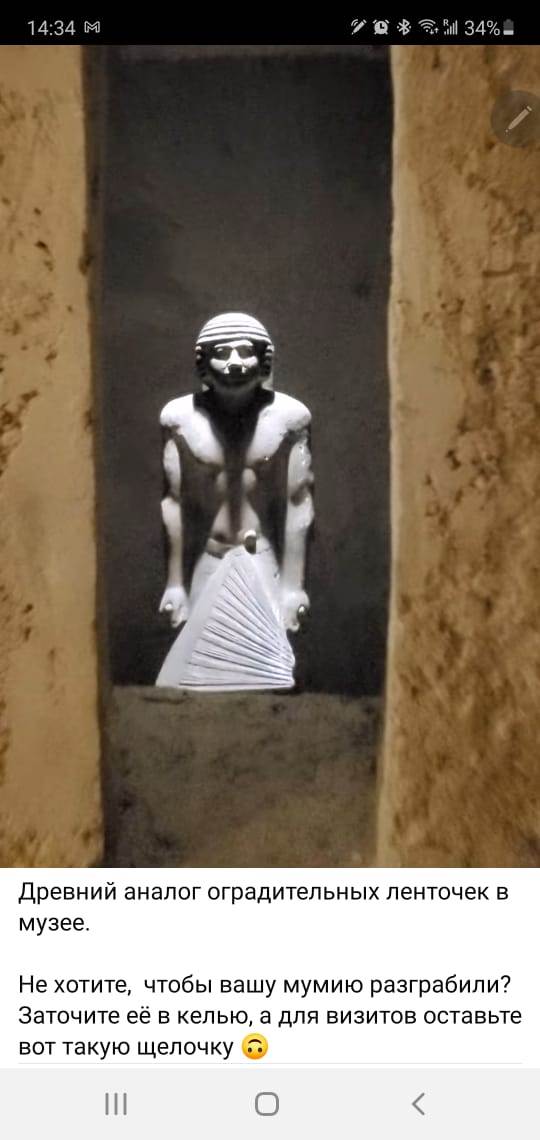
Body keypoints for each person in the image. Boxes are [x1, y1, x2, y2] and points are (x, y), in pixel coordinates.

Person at [156, 313, 314, 690]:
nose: (234, 363)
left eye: (245, 352)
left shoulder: (289, 418)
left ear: (264, 360)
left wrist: (292, 586)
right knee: (197, 677)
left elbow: (298, 503)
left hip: (260, 557)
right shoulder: (179, 419)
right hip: (210, 558)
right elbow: (175, 503)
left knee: (266, 677)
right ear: (203, 364)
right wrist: (175, 583)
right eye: (222, 353)